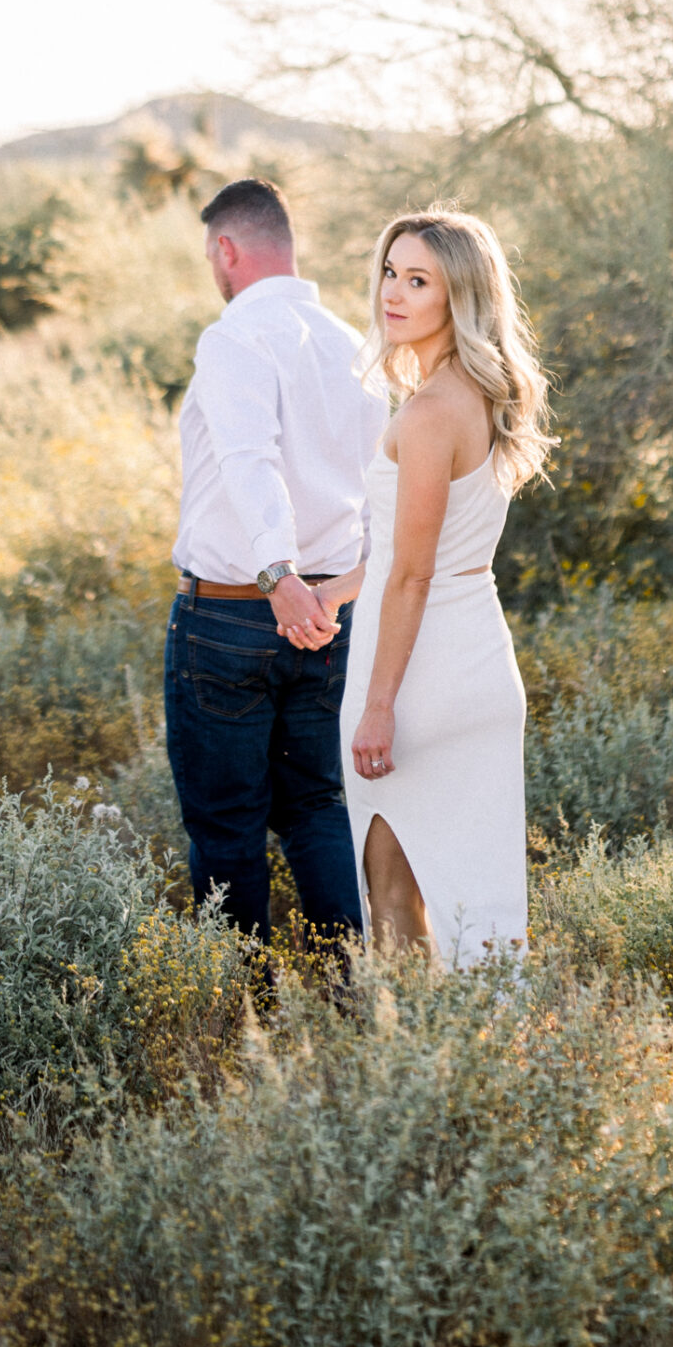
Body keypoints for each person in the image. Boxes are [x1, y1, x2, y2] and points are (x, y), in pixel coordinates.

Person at [165, 176, 387, 946]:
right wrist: (329, 589)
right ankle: (344, 995)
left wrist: (277, 576)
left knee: (227, 829)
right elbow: (372, 484)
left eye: (209, 254)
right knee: (316, 807)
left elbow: (247, 460)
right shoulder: (351, 342)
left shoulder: (234, 336)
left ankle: (244, 1012)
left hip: (234, 613)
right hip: (329, 616)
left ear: (227, 249)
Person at [336, 208, 551, 962]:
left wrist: (378, 707)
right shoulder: (485, 396)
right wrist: (330, 597)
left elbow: (414, 573)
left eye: (417, 280)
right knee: (478, 899)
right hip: (478, 660)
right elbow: (428, 551)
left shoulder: (430, 413)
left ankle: (417, 1066)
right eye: (390, 272)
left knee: (393, 891)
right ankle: (483, 1061)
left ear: (457, 295)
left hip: (419, 675)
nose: (393, 293)